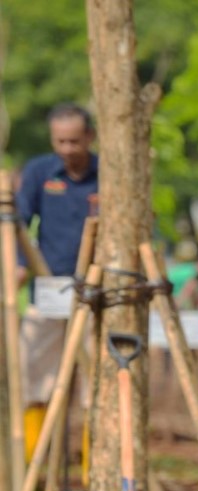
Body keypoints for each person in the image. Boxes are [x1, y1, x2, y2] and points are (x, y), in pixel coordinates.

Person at [15, 102, 99, 461]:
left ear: (90, 138)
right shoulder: (39, 173)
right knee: (35, 378)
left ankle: (91, 473)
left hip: (96, 294)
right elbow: (16, 226)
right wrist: (18, 268)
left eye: (74, 142)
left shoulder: (107, 174)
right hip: (47, 292)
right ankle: (34, 465)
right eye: (60, 142)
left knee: (95, 388)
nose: (67, 150)